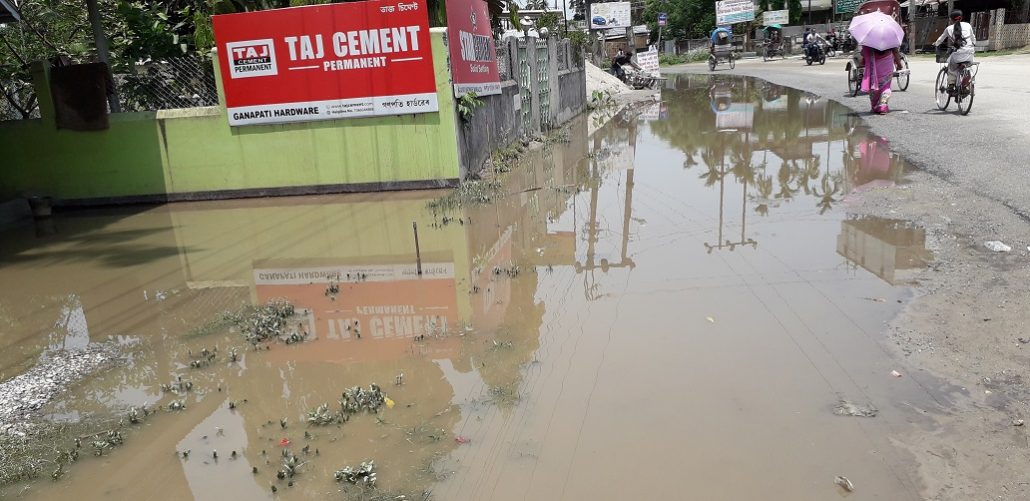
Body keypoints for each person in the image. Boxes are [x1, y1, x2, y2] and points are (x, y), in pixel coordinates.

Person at [933, 9, 975, 93]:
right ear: (961, 18)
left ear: (951, 19)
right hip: (969, 52)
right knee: (970, 68)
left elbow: (940, 40)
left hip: (958, 54)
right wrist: (973, 44)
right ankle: (965, 86)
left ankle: (951, 85)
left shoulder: (949, 28)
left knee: (952, 68)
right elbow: (973, 38)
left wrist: (935, 44)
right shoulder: (967, 25)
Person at [857, 44, 903, 114]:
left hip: (874, 67)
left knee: (873, 88)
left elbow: (863, 53)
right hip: (887, 66)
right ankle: (883, 106)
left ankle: (875, 105)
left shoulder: (870, 40)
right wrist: (899, 64)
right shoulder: (890, 40)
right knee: (886, 87)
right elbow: (896, 52)